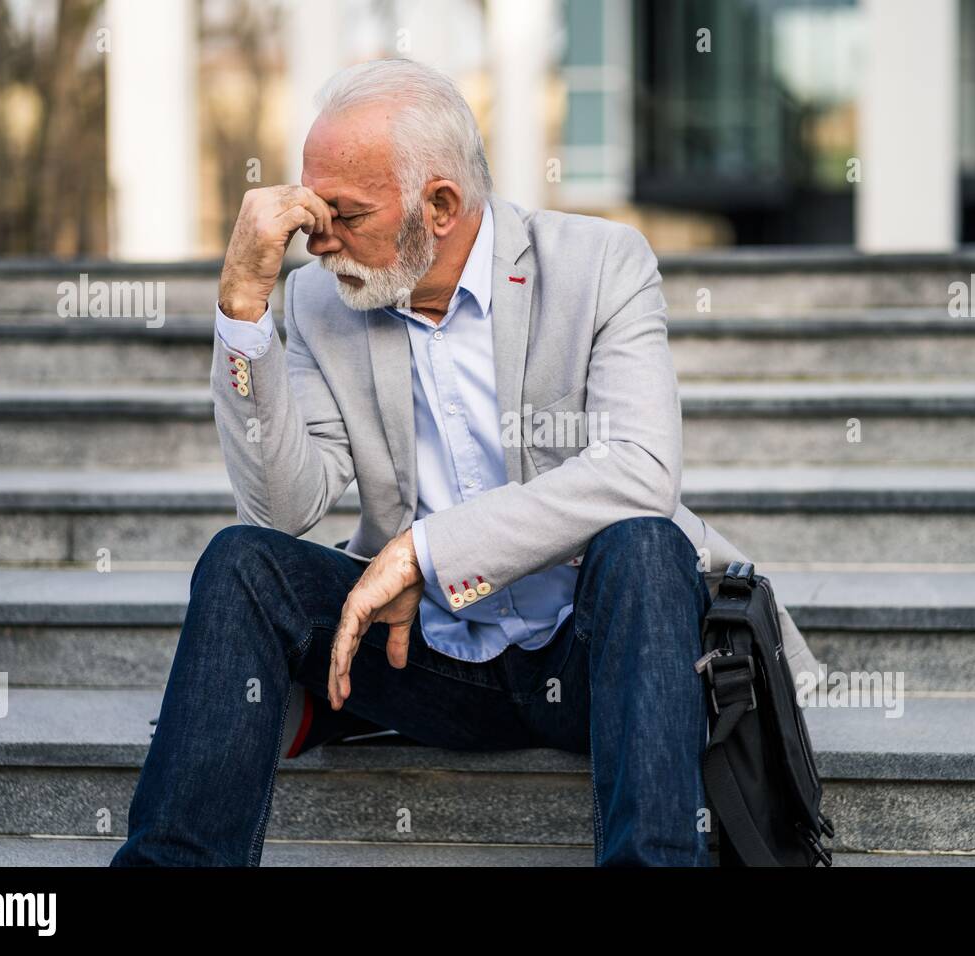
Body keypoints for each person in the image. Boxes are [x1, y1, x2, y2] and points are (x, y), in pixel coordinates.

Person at [111, 57, 818, 868]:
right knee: (241, 561)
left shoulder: (598, 265)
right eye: (310, 213)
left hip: (595, 659)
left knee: (647, 545)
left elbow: (640, 468)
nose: (318, 238)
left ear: (440, 205)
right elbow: (282, 508)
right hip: (421, 660)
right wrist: (242, 308)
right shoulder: (317, 299)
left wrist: (427, 550)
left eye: (345, 213)